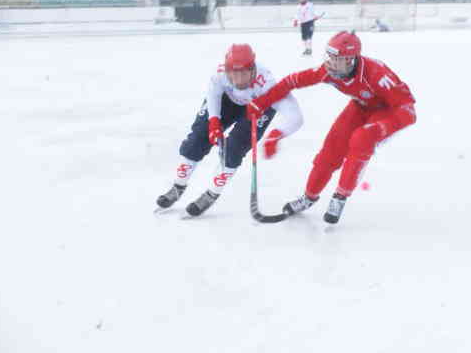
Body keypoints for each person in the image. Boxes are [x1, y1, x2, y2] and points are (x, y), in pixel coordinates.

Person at [246, 31, 416, 224]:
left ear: (350, 59)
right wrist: (262, 102)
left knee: (361, 139)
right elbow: (291, 81)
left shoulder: (377, 75)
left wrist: (382, 129)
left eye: (336, 58)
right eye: (329, 56)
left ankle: (340, 196)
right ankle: (308, 197)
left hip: (388, 112)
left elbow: (408, 111)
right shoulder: (329, 71)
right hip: (360, 106)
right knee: (330, 151)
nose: (330, 62)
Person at [155, 44, 303, 216]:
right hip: (227, 101)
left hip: (259, 105)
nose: (238, 79)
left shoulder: (268, 84)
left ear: (253, 69)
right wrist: (213, 121)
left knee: (234, 149)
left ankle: (212, 192)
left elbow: (296, 118)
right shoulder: (220, 74)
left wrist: (275, 137)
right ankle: (178, 185)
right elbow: (213, 93)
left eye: (244, 73)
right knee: (198, 137)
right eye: (233, 73)